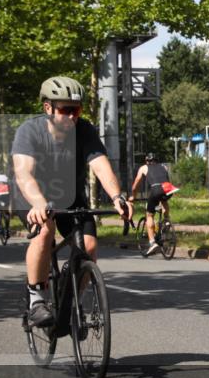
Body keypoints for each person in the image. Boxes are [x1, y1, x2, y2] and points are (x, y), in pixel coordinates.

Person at [12, 76, 132, 326]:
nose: (73, 116)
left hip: (70, 196)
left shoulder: (84, 130)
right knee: (45, 232)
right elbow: (24, 174)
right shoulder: (29, 130)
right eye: (66, 110)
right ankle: (36, 300)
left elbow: (101, 167)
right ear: (48, 108)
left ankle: (72, 303)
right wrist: (37, 203)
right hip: (32, 195)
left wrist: (117, 197)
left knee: (88, 247)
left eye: (76, 110)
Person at [130, 153, 177, 256]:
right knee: (164, 201)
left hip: (156, 189)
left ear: (147, 161)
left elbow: (135, 185)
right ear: (157, 160)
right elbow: (165, 180)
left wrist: (133, 196)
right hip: (169, 188)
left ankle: (152, 243)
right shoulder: (164, 166)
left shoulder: (143, 167)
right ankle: (167, 221)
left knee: (149, 215)